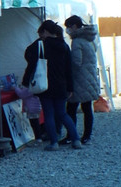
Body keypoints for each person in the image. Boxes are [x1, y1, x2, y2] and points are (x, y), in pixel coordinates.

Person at [21, 20, 82, 151]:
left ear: (46, 32)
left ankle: (54, 142)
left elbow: (30, 61)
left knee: (48, 114)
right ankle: (76, 139)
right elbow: (68, 69)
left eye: (42, 32)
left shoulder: (40, 45)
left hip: (45, 85)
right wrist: (70, 87)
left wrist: (26, 82)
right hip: (61, 85)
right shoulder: (64, 46)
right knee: (62, 114)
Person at [62, 16, 100, 145]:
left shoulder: (77, 41)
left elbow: (76, 62)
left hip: (79, 80)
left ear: (74, 26)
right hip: (90, 78)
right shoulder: (90, 39)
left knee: (71, 108)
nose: (67, 30)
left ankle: (71, 135)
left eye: (68, 27)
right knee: (87, 108)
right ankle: (87, 136)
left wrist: (67, 73)